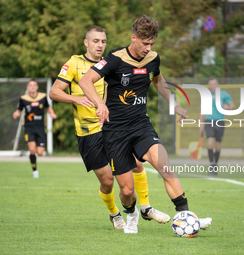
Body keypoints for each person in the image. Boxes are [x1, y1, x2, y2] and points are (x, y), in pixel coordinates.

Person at [79, 16, 212, 234]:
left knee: (164, 165)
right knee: (127, 190)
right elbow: (85, 81)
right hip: (115, 132)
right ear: (134, 38)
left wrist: (174, 104)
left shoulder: (153, 58)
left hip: (141, 125)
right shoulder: (114, 58)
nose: (148, 48)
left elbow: (158, 80)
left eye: (152, 44)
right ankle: (131, 213)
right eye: (145, 43)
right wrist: (100, 104)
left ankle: (187, 216)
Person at [49, 26, 170, 230]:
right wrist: (77, 99)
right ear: (86, 43)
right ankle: (114, 213)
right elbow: (54, 92)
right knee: (107, 181)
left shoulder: (112, 62)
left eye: (103, 41)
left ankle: (146, 207)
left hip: (114, 128)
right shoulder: (74, 63)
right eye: (95, 41)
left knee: (137, 165)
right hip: (89, 133)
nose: (100, 45)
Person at [13, 79, 57, 178]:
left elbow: (48, 107)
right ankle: (35, 171)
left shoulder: (43, 97)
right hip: (29, 128)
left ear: (37, 87)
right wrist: (16, 114)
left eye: (34, 85)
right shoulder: (23, 98)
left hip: (40, 127)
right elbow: (19, 111)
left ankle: (36, 156)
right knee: (32, 150)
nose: (32, 87)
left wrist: (52, 113)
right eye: (30, 85)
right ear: (27, 87)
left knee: (40, 153)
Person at [199, 77, 235, 175]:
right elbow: (202, 110)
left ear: (217, 84)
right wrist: (201, 124)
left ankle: (215, 165)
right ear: (209, 85)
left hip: (220, 121)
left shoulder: (224, 94)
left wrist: (227, 107)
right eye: (210, 84)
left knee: (218, 145)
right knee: (210, 143)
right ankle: (212, 165)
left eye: (214, 84)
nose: (212, 86)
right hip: (209, 121)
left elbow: (232, 106)